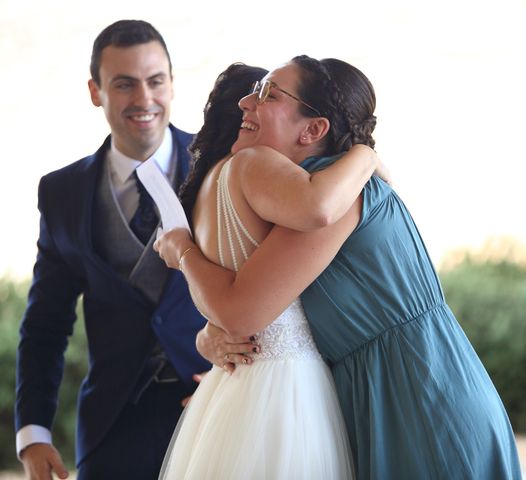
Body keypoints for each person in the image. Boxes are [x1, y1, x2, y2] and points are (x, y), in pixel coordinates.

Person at [156, 55, 523, 479]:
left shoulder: (332, 191)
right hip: (387, 387)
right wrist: (209, 337)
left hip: (418, 392)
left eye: (267, 94)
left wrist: (365, 155)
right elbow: (272, 301)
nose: (246, 103)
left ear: (313, 129)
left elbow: (245, 308)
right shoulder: (310, 189)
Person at [156, 61, 386, 479]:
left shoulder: (211, 183)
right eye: (259, 95)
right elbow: (317, 208)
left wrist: (207, 335)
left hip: (232, 388)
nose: (253, 104)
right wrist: (365, 155)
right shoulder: (254, 168)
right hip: (286, 390)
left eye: (268, 96)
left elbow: (229, 291)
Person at [14, 20, 213, 480]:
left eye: (155, 81)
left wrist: (240, 379)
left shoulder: (220, 168)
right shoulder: (63, 193)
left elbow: (274, 285)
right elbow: (46, 322)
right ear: (95, 91)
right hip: (113, 424)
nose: (144, 100)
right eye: (124, 84)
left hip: (212, 405)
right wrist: (34, 433)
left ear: (172, 83)